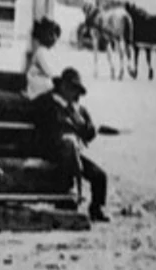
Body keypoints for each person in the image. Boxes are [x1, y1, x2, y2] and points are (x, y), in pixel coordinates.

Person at [32, 68, 110, 222]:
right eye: (71, 88)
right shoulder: (47, 101)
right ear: (61, 86)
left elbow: (88, 133)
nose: (74, 94)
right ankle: (66, 198)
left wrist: (87, 127)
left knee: (99, 175)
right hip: (48, 149)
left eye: (76, 90)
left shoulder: (78, 110)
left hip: (71, 152)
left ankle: (96, 208)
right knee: (68, 156)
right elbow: (45, 123)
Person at [24, 17, 62, 99]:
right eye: (50, 35)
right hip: (38, 83)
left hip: (43, 81)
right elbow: (49, 71)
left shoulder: (48, 52)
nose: (54, 39)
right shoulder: (41, 52)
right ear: (43, 36)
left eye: (55, 36)